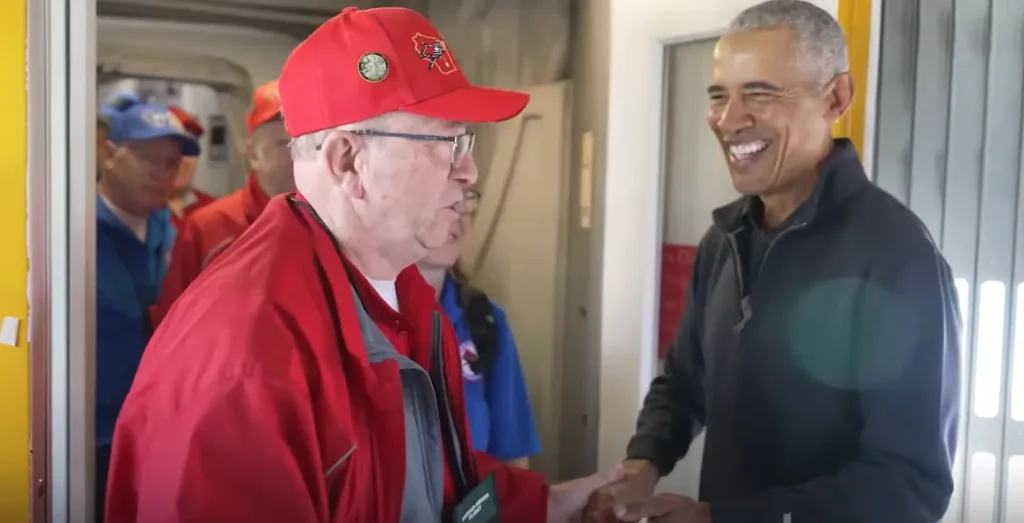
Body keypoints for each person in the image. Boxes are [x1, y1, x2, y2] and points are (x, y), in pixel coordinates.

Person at [105, 7, 615, 523]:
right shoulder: (243, 359)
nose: (469, 170)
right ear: (349, 162)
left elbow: (417, 472)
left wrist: (555, 504)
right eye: (447, 142)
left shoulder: (398, 294)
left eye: (468, 141)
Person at [587, 1, 961, 522]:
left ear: (836, 97)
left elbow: (907, 488)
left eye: (759, 94)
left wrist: (718, 518)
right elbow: (684, 381)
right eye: (719, 95)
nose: (728, 120)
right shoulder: (724, 238)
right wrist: (639, 468)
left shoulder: (897, 257)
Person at [95, 96, 199, 521]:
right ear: (108, 154)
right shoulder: (67, 229)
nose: (163, 173)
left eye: (171, 164)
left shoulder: (171, 226)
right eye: (148, 159)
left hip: (161, 427)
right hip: (93, 432)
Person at [149, 79, 293, 327]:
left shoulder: (333, 222)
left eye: (308, 144)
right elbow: (171, 323)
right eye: (283, 144)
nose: (297, 155)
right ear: (252, 154)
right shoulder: (209, 227)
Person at [417, 187, 541, 468]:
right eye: (443, 199)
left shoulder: (484, 321)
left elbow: (513, 458)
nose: (458, 217)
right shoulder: (361, 318)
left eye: (466, 199)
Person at [166, 105, 215, 228]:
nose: (183, 160)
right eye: (175, 149)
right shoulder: (133, 213)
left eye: (189, 150)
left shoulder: (213, 210)